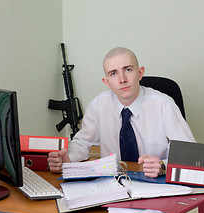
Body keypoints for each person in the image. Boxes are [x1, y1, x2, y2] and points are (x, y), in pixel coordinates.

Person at [48, 47, 195, 177]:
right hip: (113, 183)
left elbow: (189, 154)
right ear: (106, 82)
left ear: (140, 73)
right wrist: (68, 158)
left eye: (128, 69)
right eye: (113, 73)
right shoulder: (99, 105)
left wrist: (163, 166)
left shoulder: (164, 105)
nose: (122, 79)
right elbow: (81, 142)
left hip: (155, 183)